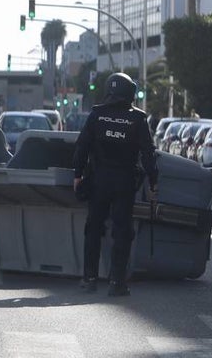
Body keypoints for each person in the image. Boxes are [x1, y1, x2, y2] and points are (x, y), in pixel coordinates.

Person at [73, 72, 158, 297]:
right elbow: (149, 154)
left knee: (93, 228)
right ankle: (116, 282)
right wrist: (153, 181)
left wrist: (77, 174)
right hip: (124, 183)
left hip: (98, 180)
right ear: (130, 92)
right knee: (122, 232)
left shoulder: (97, 115)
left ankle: (89, 278)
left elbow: (82, 146)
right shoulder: (138, 119)